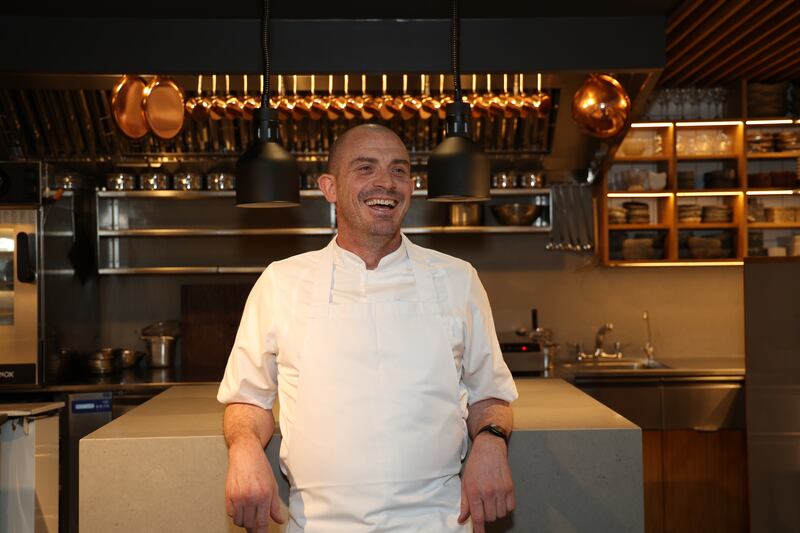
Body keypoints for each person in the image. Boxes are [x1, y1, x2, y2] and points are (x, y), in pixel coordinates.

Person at [218, 123, 518, 533]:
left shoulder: (457, 279)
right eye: (365, 168)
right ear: (330, 187)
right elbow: (247, 400)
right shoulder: (280, 282)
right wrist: (245, 447)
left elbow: (490, 396)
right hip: (318, 526)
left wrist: (492, 440)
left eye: (399, 170)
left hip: (439, 523)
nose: (386, 183)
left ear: (411, 187)